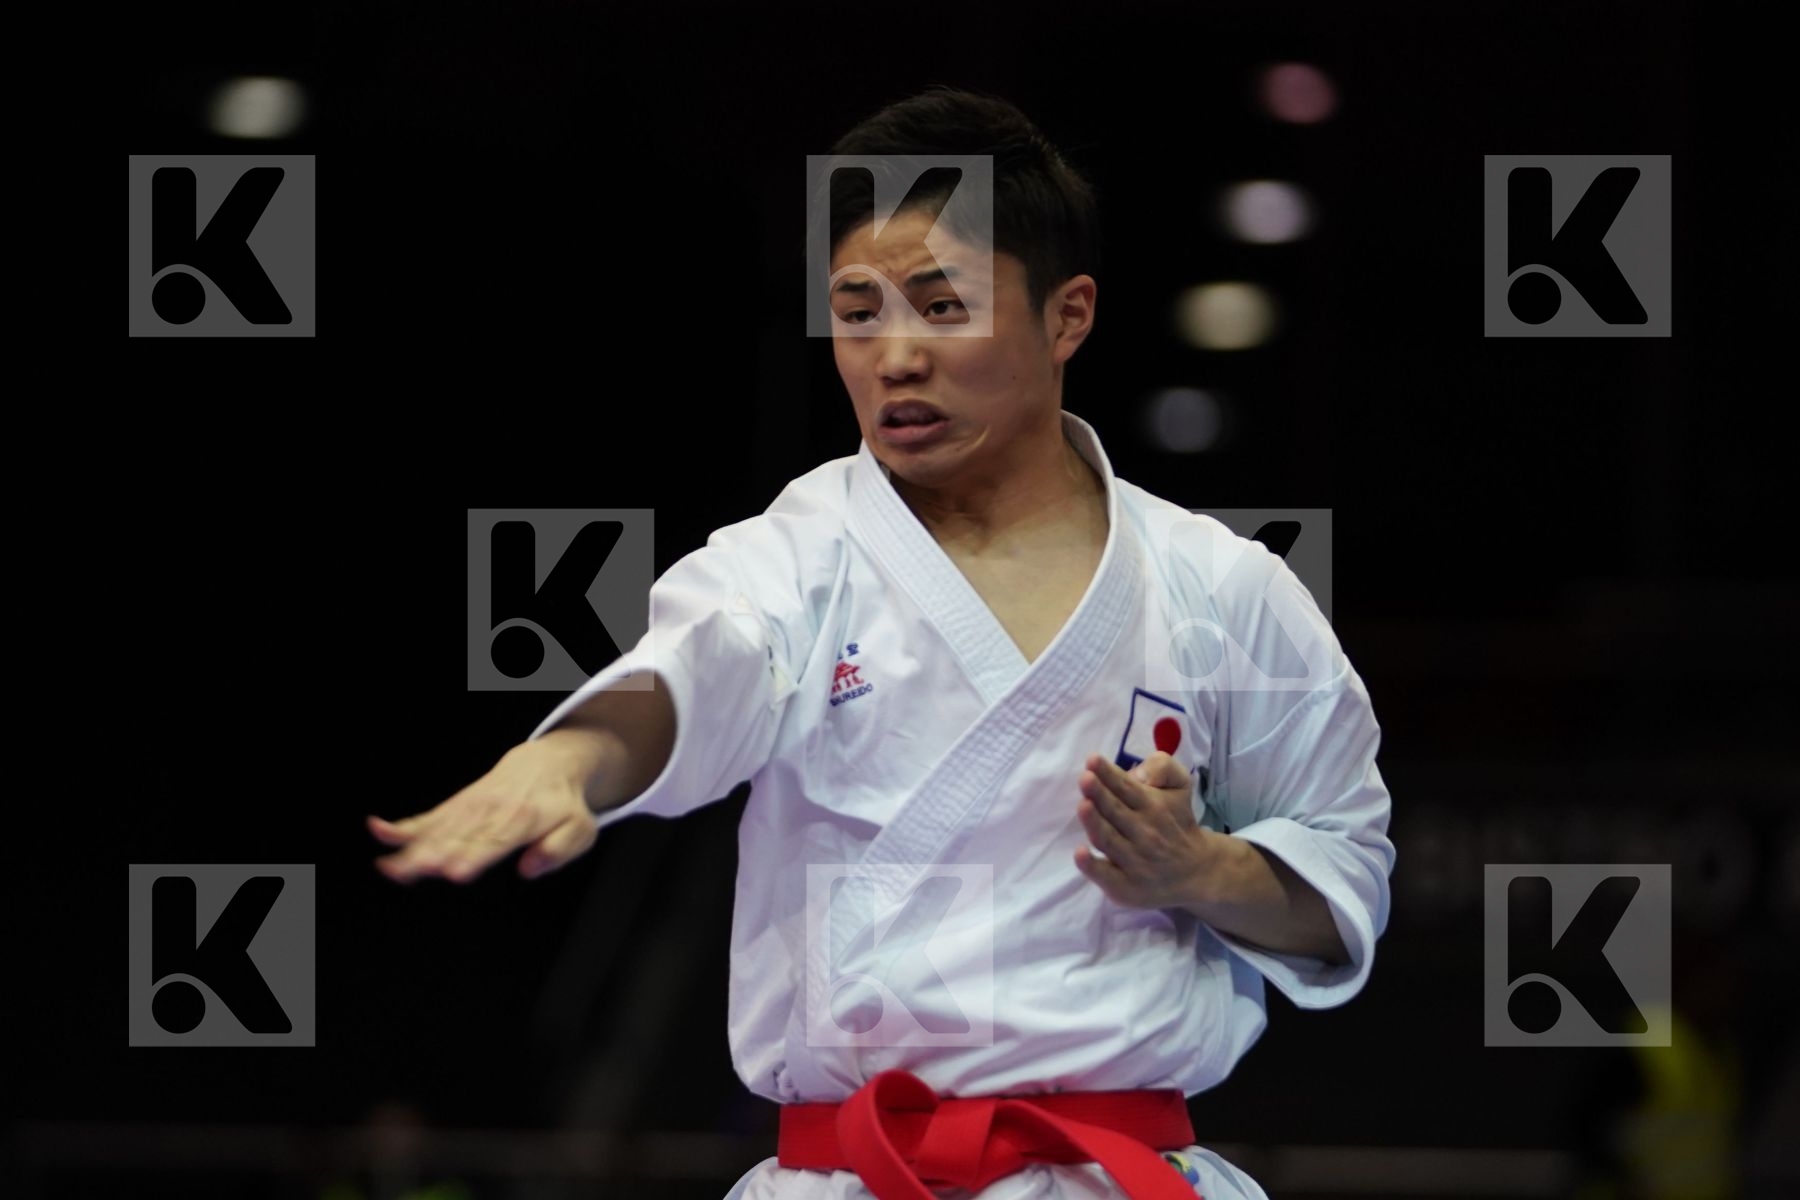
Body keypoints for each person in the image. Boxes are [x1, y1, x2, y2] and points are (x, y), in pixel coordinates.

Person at [370, 85, 1395, 1200]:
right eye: (858, 311)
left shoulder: (1222, 587)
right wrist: (568, 759)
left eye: (941, 306)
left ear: (1070, 315)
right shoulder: (803, 556)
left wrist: (1202, 869)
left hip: (1116, 1175)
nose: (893, 355)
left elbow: (1343, 872)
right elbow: (698, 667)